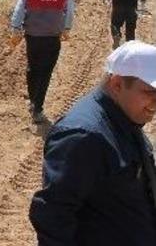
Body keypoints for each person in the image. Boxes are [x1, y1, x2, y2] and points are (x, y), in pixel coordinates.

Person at [30, 41, 156, 246]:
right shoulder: (83, 135)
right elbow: (54, 215)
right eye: (150, 94)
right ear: (117, 84)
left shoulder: (123, 118)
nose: (155, 104)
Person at [10, 0, 75, 123]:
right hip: (53, 37)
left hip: (32, 36)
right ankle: (37, 108)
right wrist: (66, 29)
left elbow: (19, 10)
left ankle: (33, 101)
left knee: (32, 68)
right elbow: (69, 13)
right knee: (46, 72)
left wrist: (16, 28)